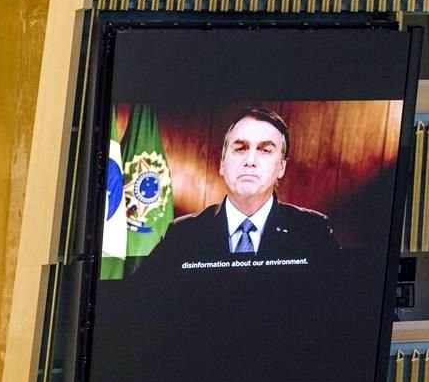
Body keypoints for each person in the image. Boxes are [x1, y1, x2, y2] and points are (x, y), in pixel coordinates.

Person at [139, 108, 339, 274]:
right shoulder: (182, 233)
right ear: (222, 164)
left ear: (281, 167)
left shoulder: (313, 230)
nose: (250, 161)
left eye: (265, 150)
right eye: (241, 148)